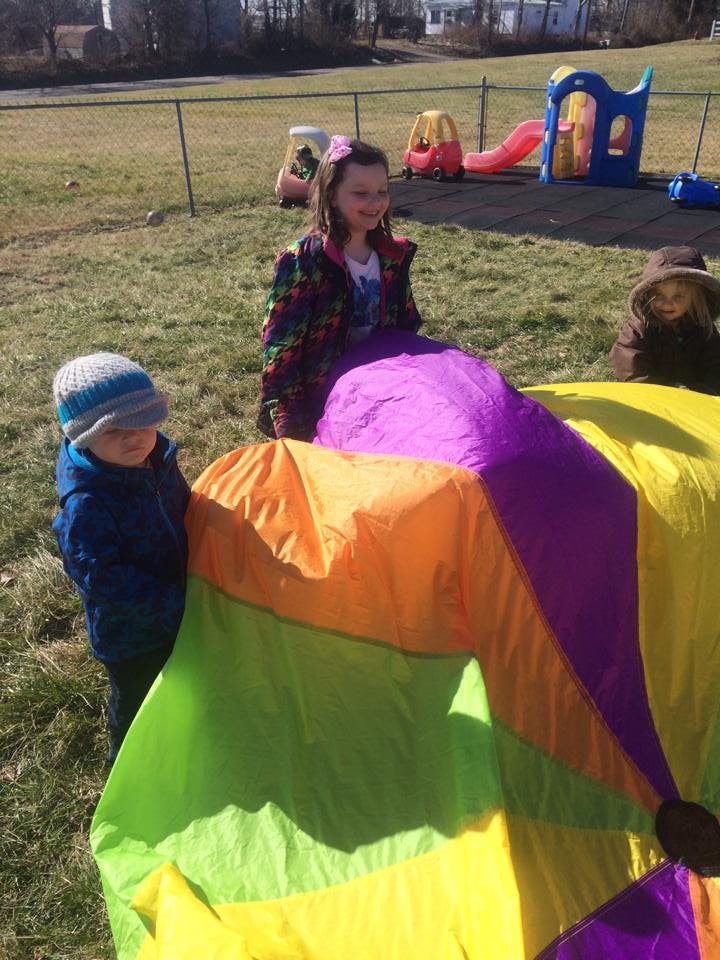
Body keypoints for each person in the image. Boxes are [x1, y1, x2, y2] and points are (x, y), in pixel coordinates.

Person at [52, 352, 190, 764]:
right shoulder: (86, 503)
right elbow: (103, 578)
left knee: (181, 682)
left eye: (144, 421)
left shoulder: (157, 458)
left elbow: (183, 506)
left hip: (181, 604)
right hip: (131, 636)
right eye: (112, 430)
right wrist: (177, 603)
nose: (134, 436)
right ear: (82, 436)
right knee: (137, 698)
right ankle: (125, 763)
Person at [258, 135, 422, 441]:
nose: (375, 202)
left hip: (379, 397)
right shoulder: (304, 261)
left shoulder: (392, 258)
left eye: (382, 191)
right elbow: (281, 346)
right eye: (360, 193)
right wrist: (289, 420)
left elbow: (407, 326)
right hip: (320, 403)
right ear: (332, 194)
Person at [610, 246, 720, 393]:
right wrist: (668, 392)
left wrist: (701, 392)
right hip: (652, 400)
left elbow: (715, 368)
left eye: (678, 296)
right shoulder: (637, 331)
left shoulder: (704, 330)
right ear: (647, 295)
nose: (667, 303)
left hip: (695, 402)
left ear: (695, 298)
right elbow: (633, 370)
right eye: (659, 295)